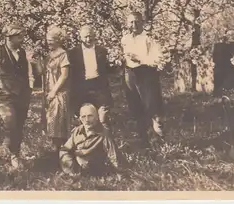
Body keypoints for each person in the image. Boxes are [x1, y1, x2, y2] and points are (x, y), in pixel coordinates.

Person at [0, 23, 35, 169]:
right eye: (19, 37)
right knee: (11, 123)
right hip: (4, 97)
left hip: (22, 97)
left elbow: (29, 74)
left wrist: (29, 88)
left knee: (19, 126)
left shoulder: (23, 53)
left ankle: (13, 152)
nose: (22, 39)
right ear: (9, 38)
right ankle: (12, 153)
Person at [120, 11, 165, 147]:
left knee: (152, 107)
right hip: (130, 75)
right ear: (127, 24)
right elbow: (125, 58)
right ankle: (143, 141)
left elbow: (158, 59)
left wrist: (140, 59)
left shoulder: (149, 38)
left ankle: (158, 141)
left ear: (142, 22)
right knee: (136, 108)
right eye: (131, 22)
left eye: (137, 21)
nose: (134, 25)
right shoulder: (125, 39)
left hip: (146, 73)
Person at [68, 25, 114, 127]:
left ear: (94, 36)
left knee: (103, 117)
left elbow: (108, 69)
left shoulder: (102, 51)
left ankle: (105, 140)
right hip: (82, 87)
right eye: (85, 37)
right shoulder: (73, 53)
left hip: (99, 86)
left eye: (90, 36)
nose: (88, 39)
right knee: (85, 118)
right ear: (81, 38)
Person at [59, 103, 122, 176]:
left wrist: (120, 173)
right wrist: (70, 170)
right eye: (83, 116)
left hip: (95, 170)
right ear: (80, 118)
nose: (87, 120)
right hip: (77, 168)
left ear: (97, 117)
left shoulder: (103, 132)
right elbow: (65, 150)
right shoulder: (77, 131)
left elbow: (113, 154)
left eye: (90, 116)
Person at [43, 26, 72, 152]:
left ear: (58, 40)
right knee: (51, 121)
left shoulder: (63, 54)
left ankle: (62, 150)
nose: (48, 42)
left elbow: (64, 75)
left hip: (59, 92)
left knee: (58, 122)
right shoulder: (50, 54)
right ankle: (55, 150)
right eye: (47, 40)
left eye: (51, 40)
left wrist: (54, 91)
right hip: (49, 91)